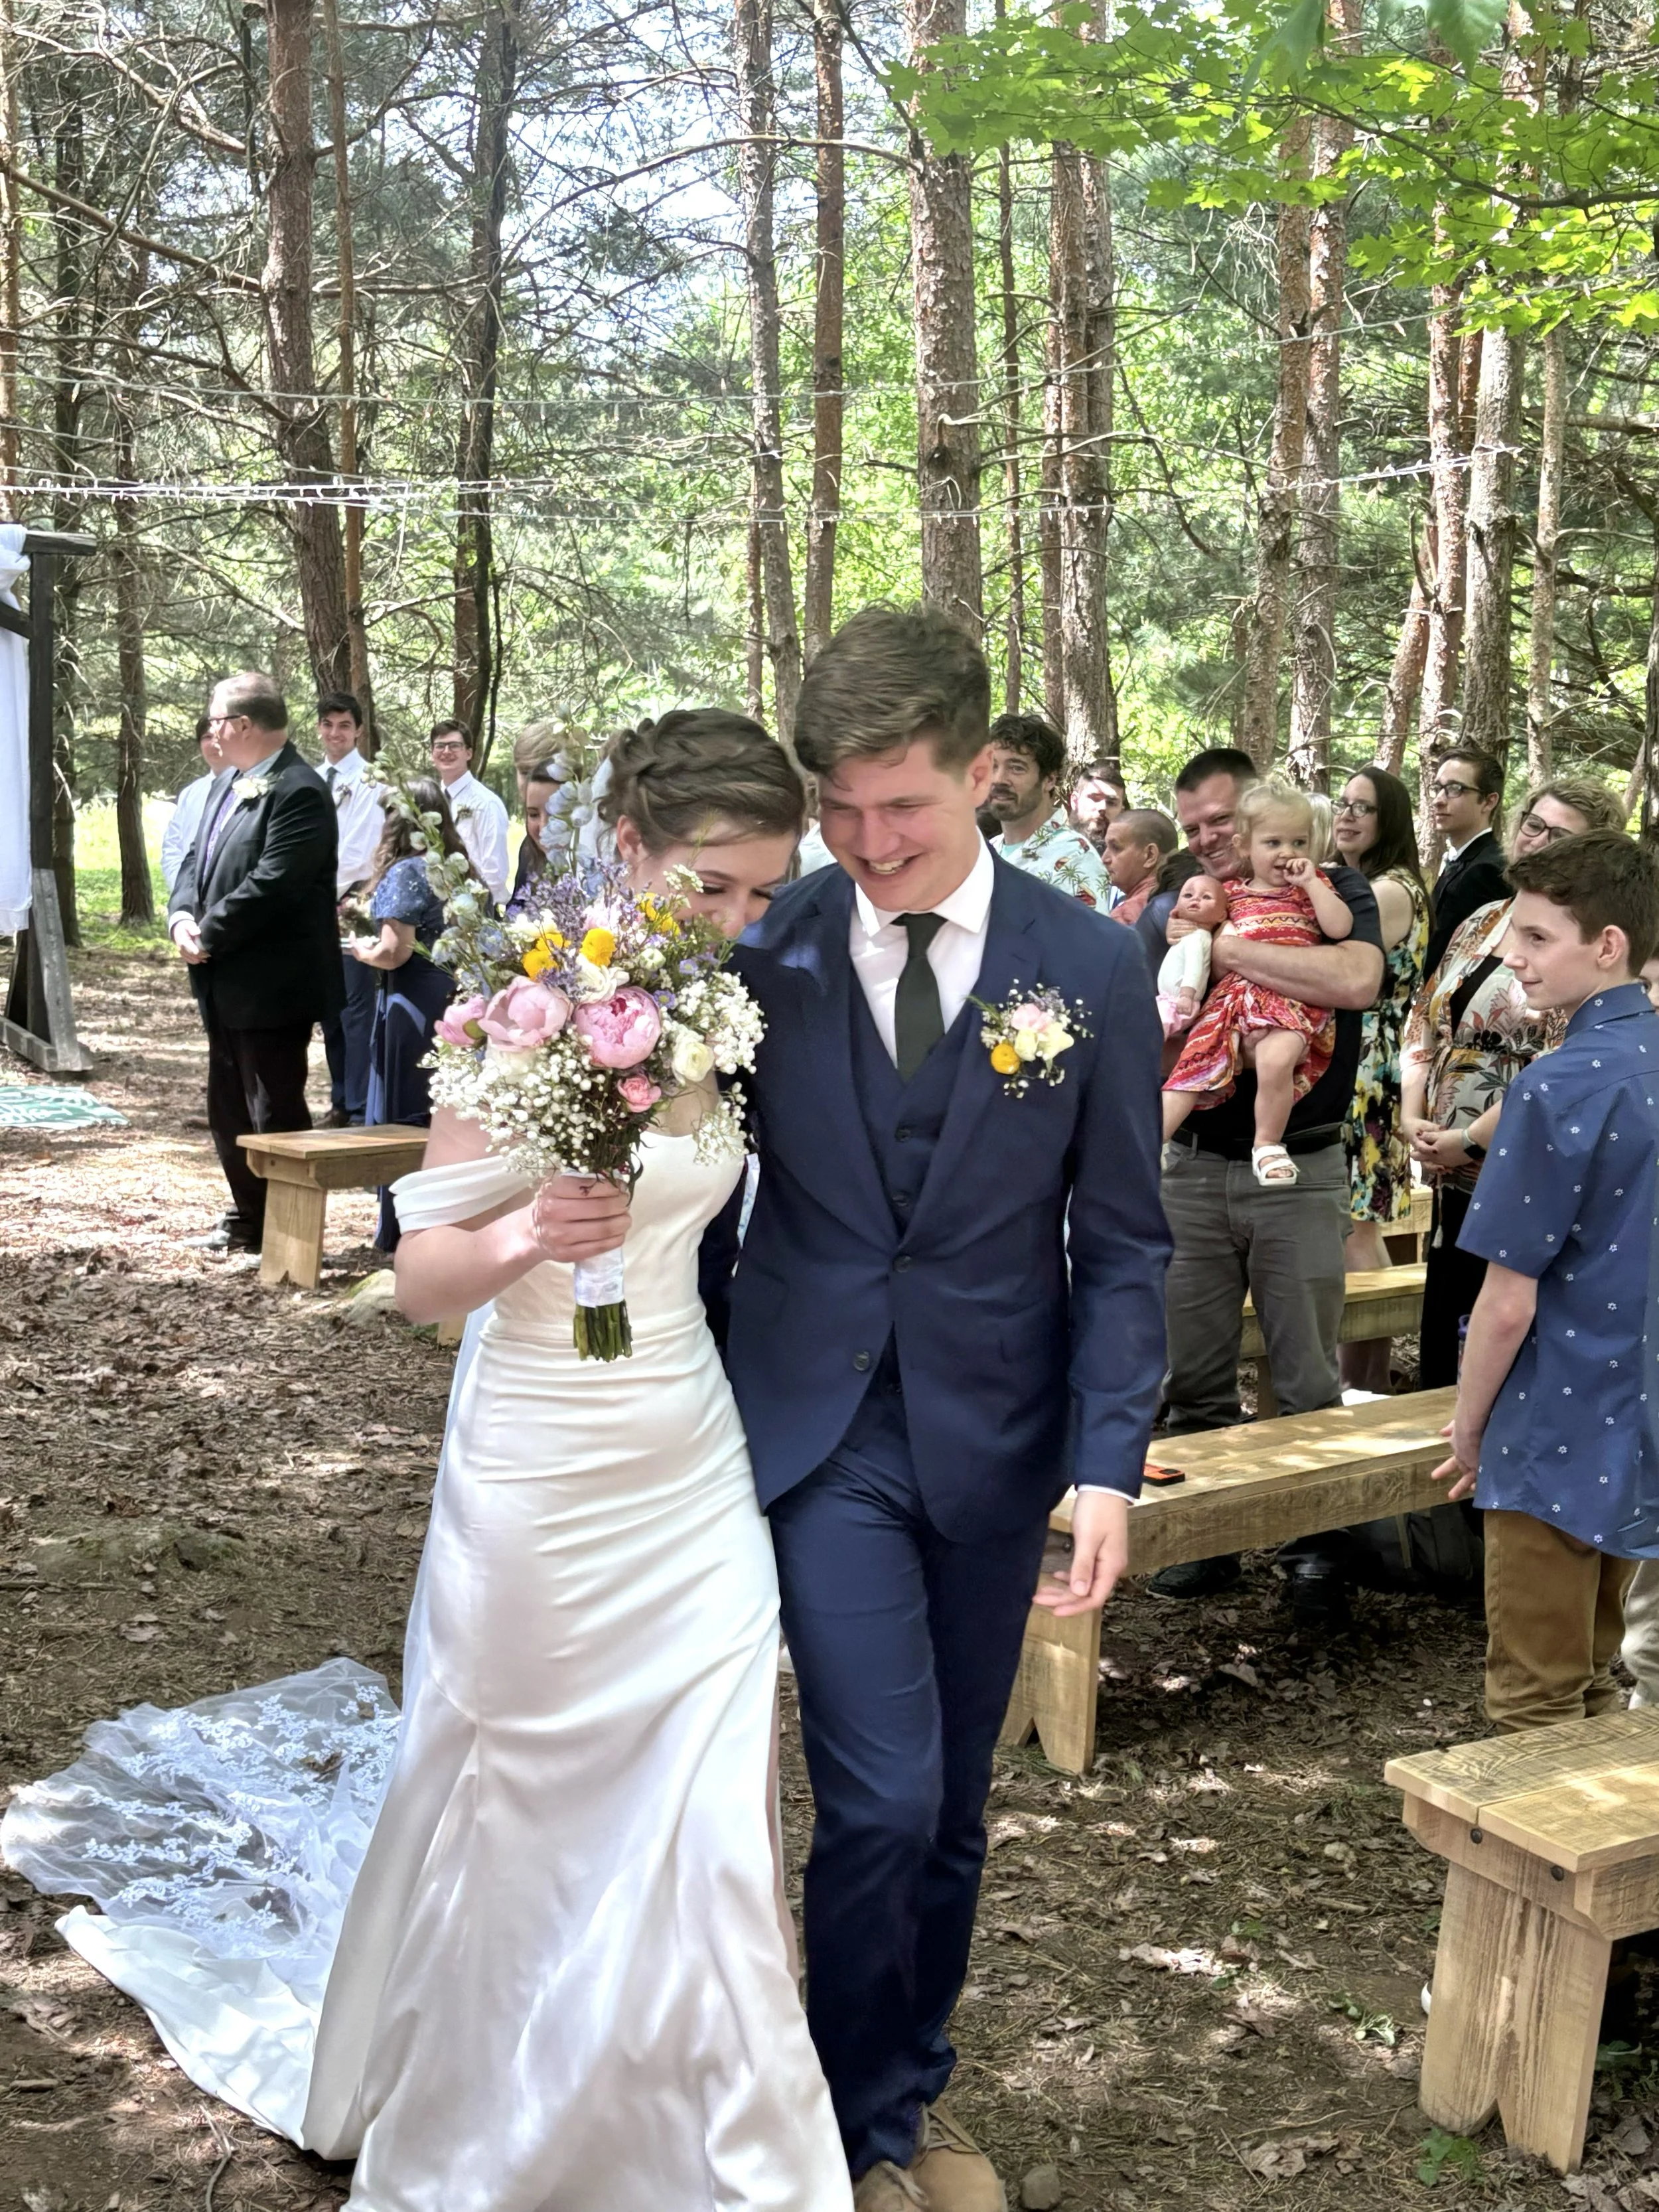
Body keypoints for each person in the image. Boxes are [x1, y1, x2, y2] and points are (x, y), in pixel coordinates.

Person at [5, 709, 853, 2212]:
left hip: (684, 1444)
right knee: (526, 1779)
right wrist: (536, 1229)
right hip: (536, 1446)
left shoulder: (721, 1018)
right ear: (634, 853)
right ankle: (504, 2112)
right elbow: (421, 1277)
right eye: (712, 886)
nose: (736, 922)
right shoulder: (512, 1014)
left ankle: (719, 2132)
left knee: (710, 1783)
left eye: (760, 893)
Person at [712, 607, 1170, 2211]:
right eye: (837, 806)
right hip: (817, 1430)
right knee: (884, 1791)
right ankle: (834, 2133)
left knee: (953, 1808)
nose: (863, 840)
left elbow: (1122, 1241)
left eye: (899, 803)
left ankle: (905, 2094)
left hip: (999, 1433)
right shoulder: (763, 942)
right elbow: (702, 1194)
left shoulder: (1092, 962)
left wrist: (1108, 1464)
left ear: (986, 772)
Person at [1139, 746, 1385, 1625]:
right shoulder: (1177, 908)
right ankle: (1200, 1542)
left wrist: (1228, 948)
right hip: (1194, 1167)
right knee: (1191, 1372)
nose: (1207, 838)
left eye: (1219, 820)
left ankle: (1315, 1548)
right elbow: (1153, 1027)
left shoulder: (1327, 885)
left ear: (1253, 814)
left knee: (1305, 1368)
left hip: (1300, 1164)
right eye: (1195, 826)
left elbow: (1356, 976)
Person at [1431, 830, 1659, 1728]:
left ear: (1607, 945)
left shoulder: (1556, 1088)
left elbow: (1506, 1298)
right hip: (1634, 1416)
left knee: (1533, 1703)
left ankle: (1538, 1875)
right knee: (1596, 1680)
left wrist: (1468, 1426)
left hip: (1555, 1419)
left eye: (1534, 937)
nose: (1509, 955)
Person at [1401, 776, 1626, 1388]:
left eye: (1562, 837)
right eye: (1535, 826)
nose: (1539, 843)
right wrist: (1411, 1114)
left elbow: (1564, 1061)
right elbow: (1425, 1017)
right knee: (1444, 1328)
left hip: (1521, 1161)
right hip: (1447, 1166)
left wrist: (1470, 1139)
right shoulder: (1482, 918)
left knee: (1500, 1331)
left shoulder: (1588, 943)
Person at [167, 672, 342, 1254]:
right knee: (227, 1105)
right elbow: (196, 859)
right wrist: (181, 917)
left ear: (243, 725)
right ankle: (249, 1217)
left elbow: (276, 884)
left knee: (274, 1107)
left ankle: (285, 1229)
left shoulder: (299, 789)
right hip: (219, 975)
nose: (212, 730)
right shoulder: (229, 783)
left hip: (272, 981)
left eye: (216, 720)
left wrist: (210, 932)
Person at [1162, 780, 1354, 1186]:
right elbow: (1208, 938)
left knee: (1277, 1060)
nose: (1288, 853)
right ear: (1244, 846)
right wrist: (1183, 928)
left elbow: (1340, 927)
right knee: (1191, 1067)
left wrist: (1314, 884)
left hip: (1289, 1000)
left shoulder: (1311, 890)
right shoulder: (1230, 894)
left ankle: (1267, 1145)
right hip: (1233, 1000)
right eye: (1273, 843)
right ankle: (1148, 1142)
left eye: (1299, 842)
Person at [1332, 764, 1431, 1392]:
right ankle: (1367, 1376)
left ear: (1388, 820)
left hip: (1366, 1064)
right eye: (1341, 803)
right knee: (1363, 1220)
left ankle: (1360, 1384)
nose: (1346, 815)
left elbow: (1339, 964)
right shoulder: (1368, 882)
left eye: (1362, 808)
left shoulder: (1390, 890)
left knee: (1353, 1224)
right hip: (1367, 1058)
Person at [346, 778, 463, 1250]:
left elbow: (396, 951)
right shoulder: (457, 867)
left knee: (402, 1110)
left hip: (410, 999)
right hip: (451, 997)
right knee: (438, 1106)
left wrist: (361, 949)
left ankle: (397, 1230)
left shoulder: (405, 873)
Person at [315, 691, 385, 1128]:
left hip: (353, 901)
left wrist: (320, 886)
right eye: (328, 725)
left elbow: (359, 851)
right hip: (314, 903)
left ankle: (360, 1105)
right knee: (327, 1007)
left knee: (355, 1006)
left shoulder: (370, 781)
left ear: (358, 729)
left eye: (344, 725)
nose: (335, 733)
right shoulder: (313, 777)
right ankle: (340, 1098)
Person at [985, 711, 1113, 907]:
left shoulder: (1077, 861)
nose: (999, 779)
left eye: (1016, 768)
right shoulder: (988, 851)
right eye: (992, 767)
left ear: (1049, 780)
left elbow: (1087, 938)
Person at [1423, 747, 1509, 976]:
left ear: (1489, 802)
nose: (1439, 800)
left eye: (1454, 789)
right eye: (1437, 788)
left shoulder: (1488, 871)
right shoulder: (1462, 858)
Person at [429, 717, 510, 905]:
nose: (446, 752)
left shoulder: (486, 803)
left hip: (479, 906)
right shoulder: (431, 801)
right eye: (440, 746)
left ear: (469, 753)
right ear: (432, 753)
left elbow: (495, 872)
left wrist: (476, 906)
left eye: (454, 746)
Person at [1155, 873, 1229, 1034]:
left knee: (1153, 1033)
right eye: (1188, 895)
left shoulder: (1197, 937)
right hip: (1169, 1001)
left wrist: (1187, 995)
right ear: (1175, 909)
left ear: (1222, 916)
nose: (1195, 899)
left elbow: (1194, 968)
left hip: (1180, 1002)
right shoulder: (1190, 935)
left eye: (1207, 897)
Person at [159, 716, 223, 896]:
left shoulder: (250, 787)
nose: (213, 743)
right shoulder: (191, 793)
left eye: (218, 737)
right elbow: (172, 846)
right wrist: (182, 889)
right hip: (190, 900)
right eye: (207, 738)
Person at [1105, 807, 1178, 929]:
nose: (1105, 858)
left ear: (1150, 855)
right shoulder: (1187, 898)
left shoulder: (1126, 915)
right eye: (1106, 847)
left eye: (1116, 848)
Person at [1068, 759, 1127, 851]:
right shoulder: (1049, 846)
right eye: (1094, 798)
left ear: (1122, 812)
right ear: (1075, 801)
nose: (1102, 807)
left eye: (1111, 803)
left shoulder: (1130, 860)